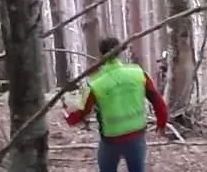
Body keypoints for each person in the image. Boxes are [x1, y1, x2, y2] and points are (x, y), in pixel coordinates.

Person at [65, 37, 168, 172]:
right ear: (120, 52)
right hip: (136, 136)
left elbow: (81, 113)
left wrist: (67, 116)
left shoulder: (95, 83)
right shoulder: (138, 73)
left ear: (101, 54)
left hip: (111, 141)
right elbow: (157, 100)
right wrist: (161, 123)